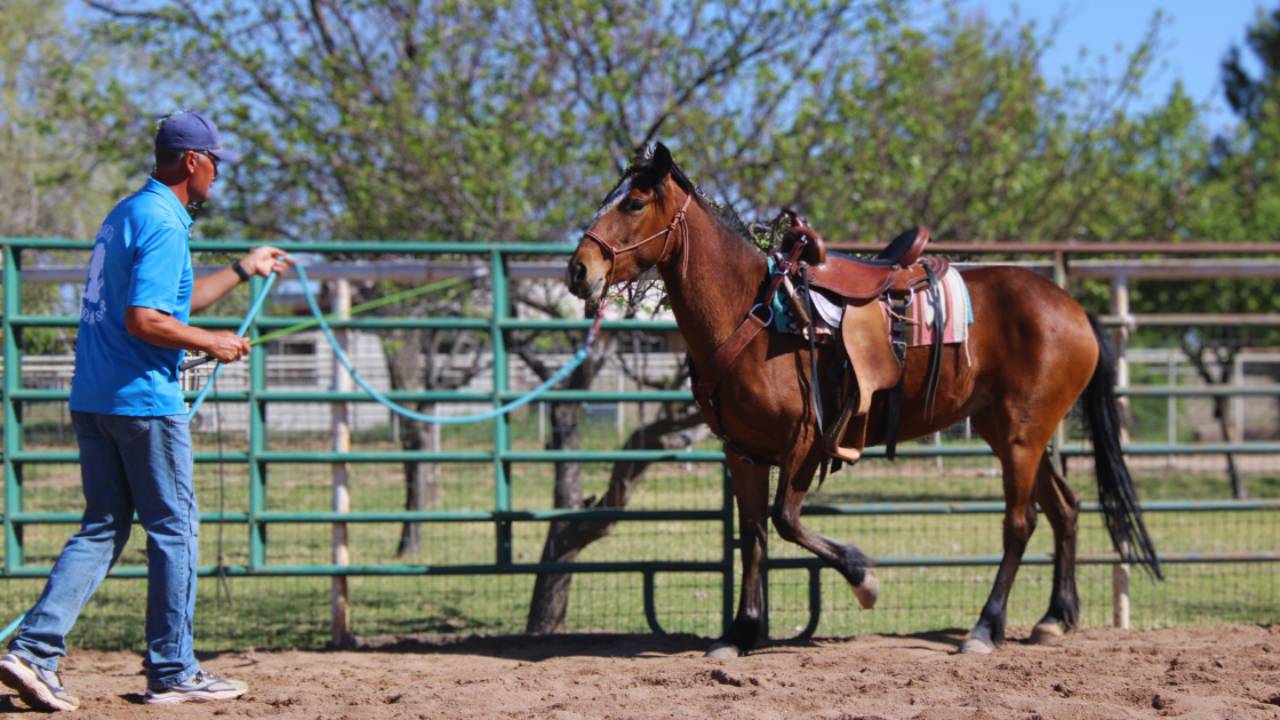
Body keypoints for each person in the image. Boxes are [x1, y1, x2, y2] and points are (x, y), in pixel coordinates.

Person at [0, 111, 291, 711]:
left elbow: (167, 303)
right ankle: (173, 670)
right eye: (214, 162)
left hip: (95, 397)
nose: (217, 175)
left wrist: (243, 269)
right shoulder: (164, 224)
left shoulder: (130, 213)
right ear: (193, 161)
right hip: (143, 404)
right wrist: (211, 342)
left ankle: (32, 650)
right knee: (175, 529)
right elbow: (145, 319)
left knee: (104, 527)